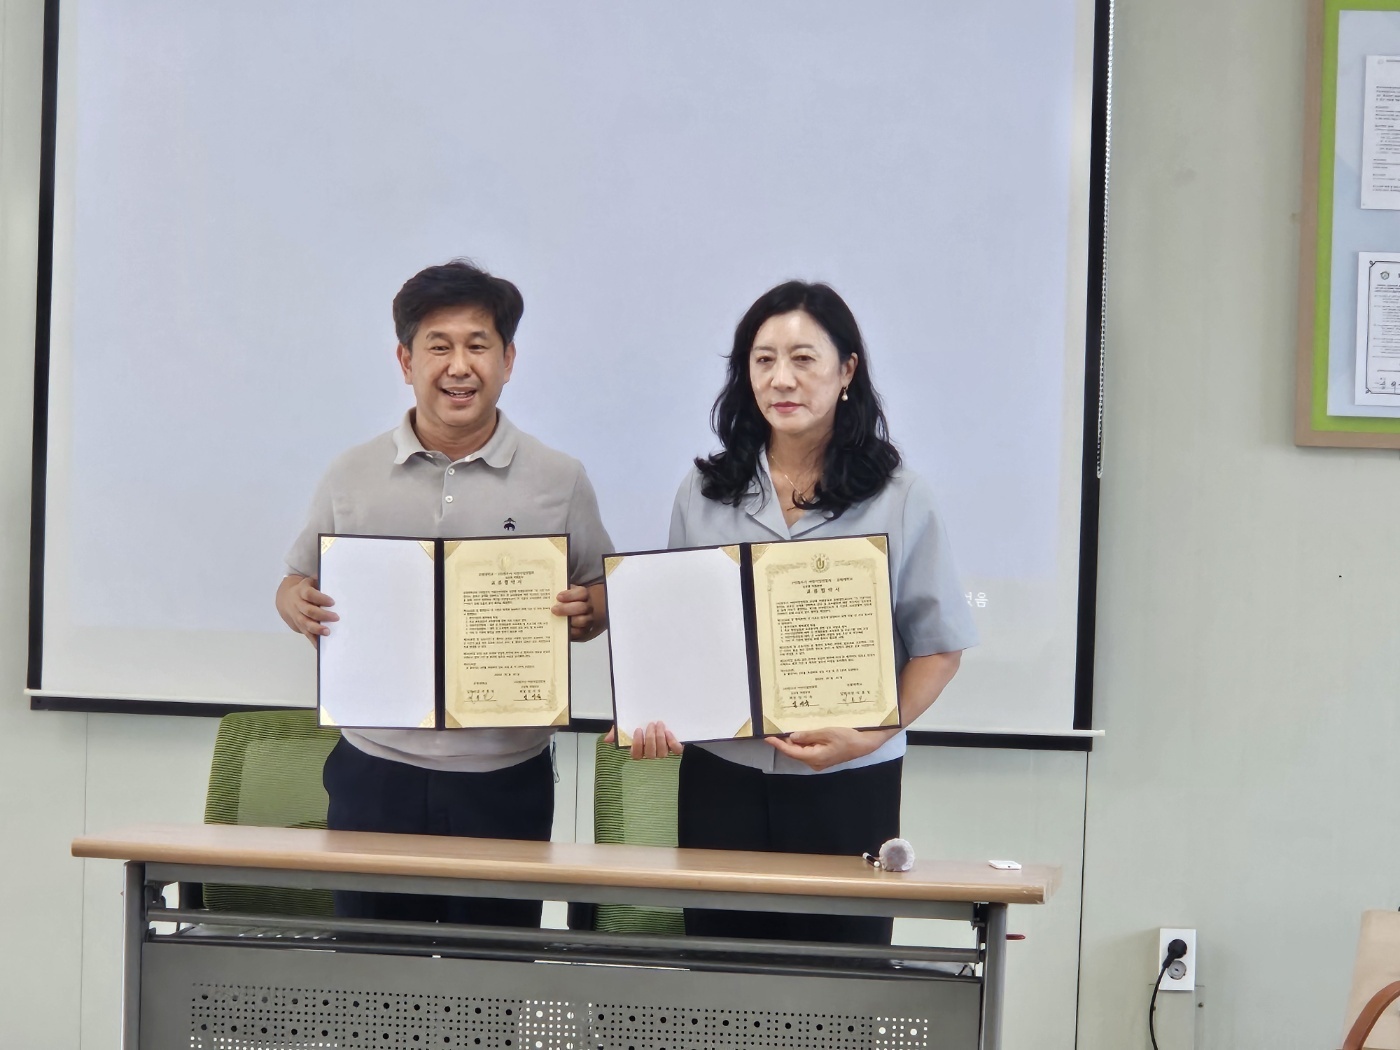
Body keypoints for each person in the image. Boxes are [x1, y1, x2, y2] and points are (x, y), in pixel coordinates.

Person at [621, 280, 977, 945]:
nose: (780, 378)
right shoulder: (703, 493)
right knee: (722, 982)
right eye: (762, 360)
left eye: (803, 359)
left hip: (849, 782)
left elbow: (939, 649)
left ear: (847, 370)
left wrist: (868, 735)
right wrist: (660, 709)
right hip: (722, 778)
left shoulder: (899, 497)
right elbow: (675, 637)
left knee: (839, 983)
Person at [277, 259, 613, 927]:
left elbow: (603, 593)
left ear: (508, 359)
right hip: (376, 771)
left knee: (490, 985)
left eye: (478, 345)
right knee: (373, 983)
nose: (460, 365)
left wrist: (589, 611)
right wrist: (295, 603)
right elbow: (295, 581)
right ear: (405, 360)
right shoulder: (352, 473)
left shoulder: (559, 477)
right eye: (439, 346)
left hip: (505, 779)